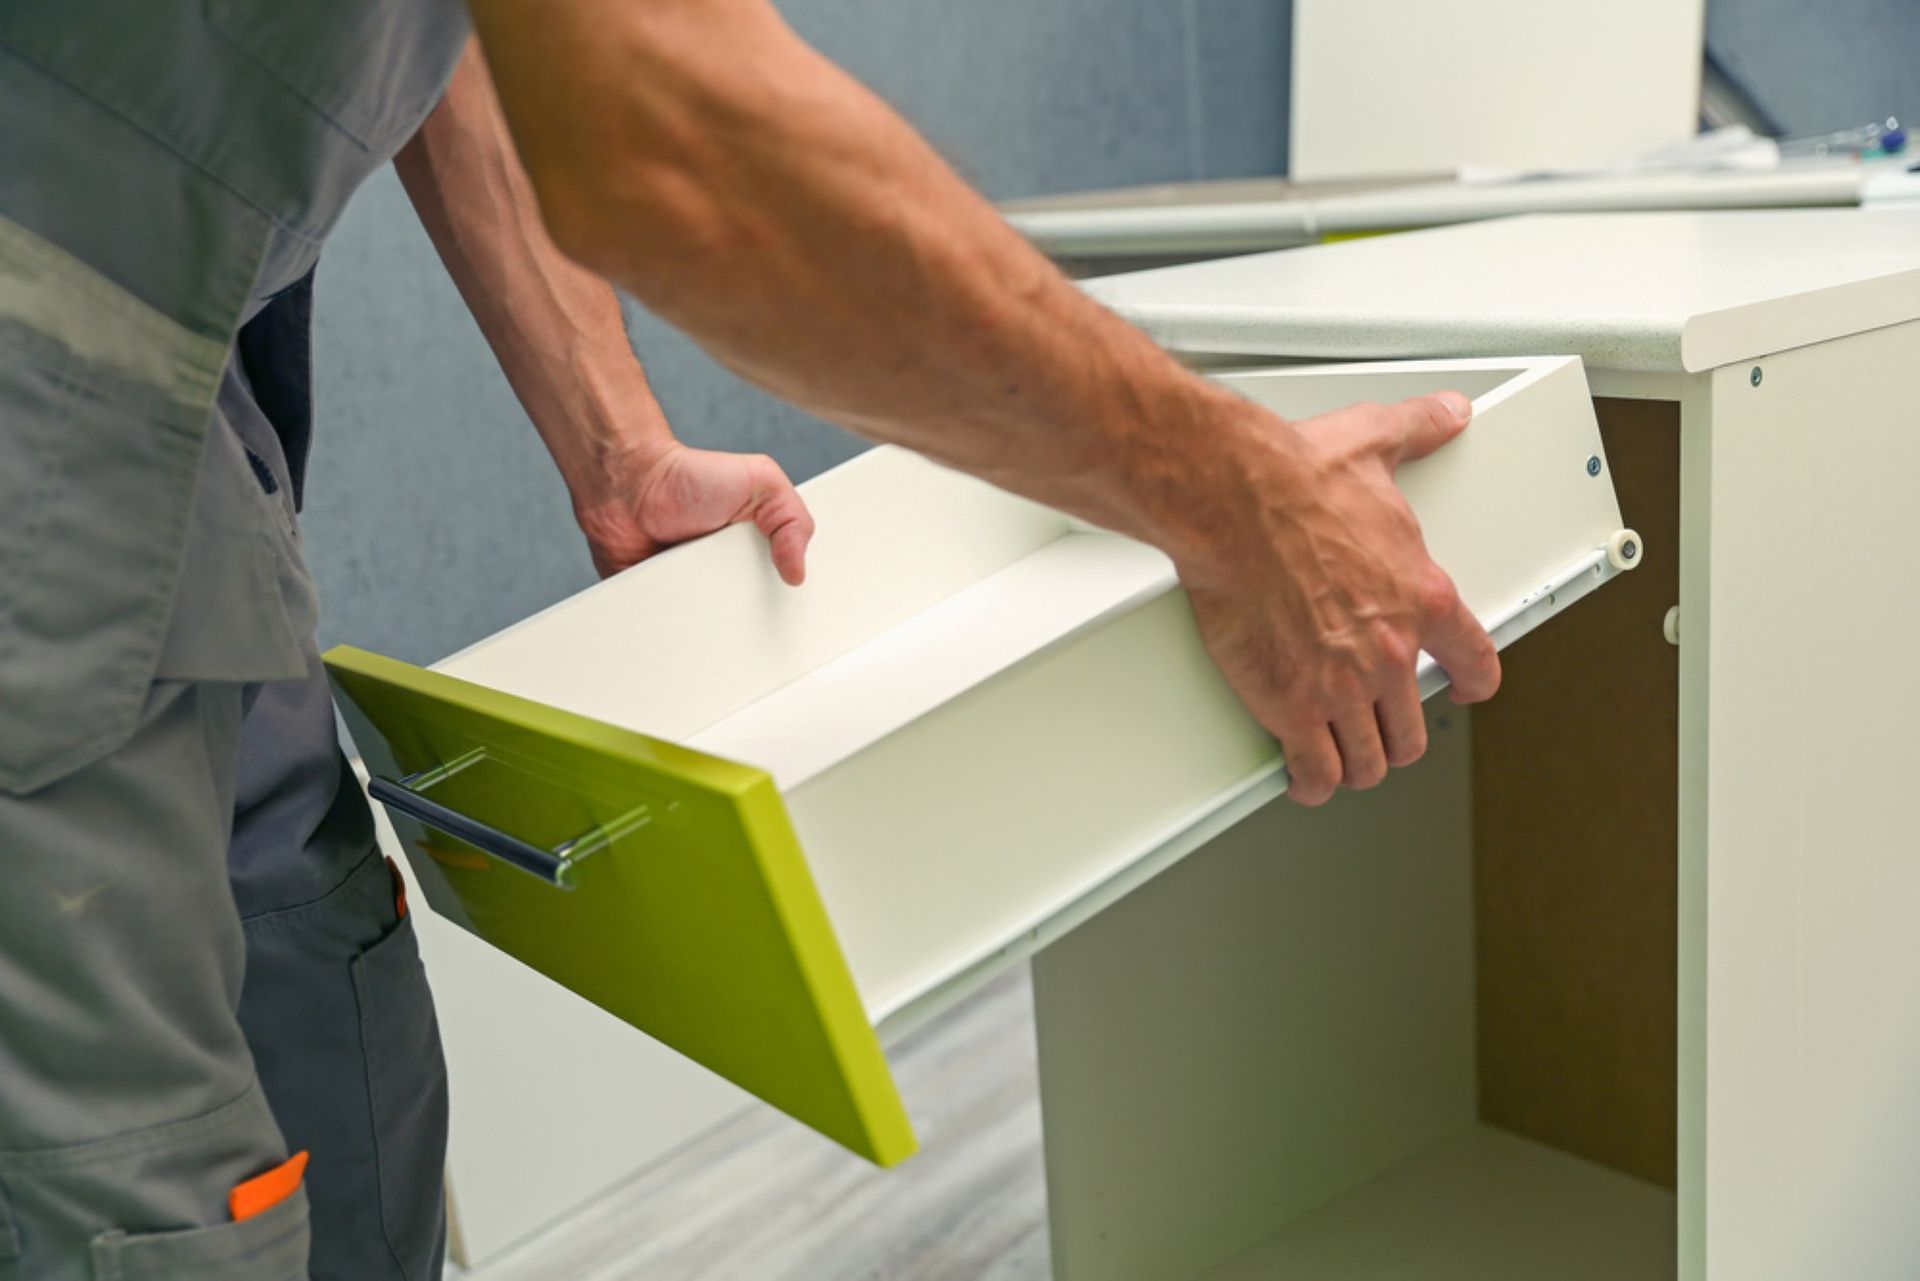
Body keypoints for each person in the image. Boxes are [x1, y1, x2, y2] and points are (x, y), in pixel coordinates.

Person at [0, 2, 1499, 1277]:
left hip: (169, 404)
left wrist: (612, 438)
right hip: (46, 418)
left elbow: (461, 39)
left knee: (337, 1070)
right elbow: (683, 138)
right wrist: (1242, 505)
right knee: (148, 1203)